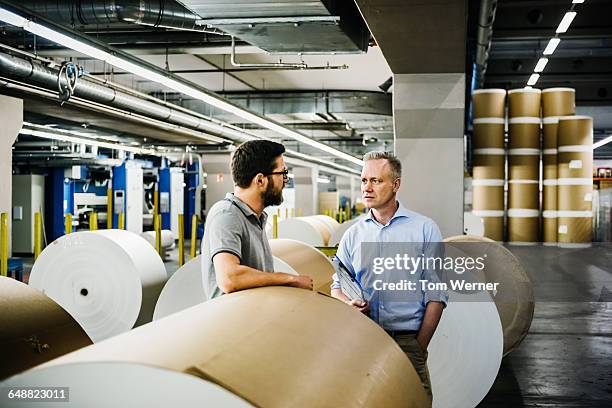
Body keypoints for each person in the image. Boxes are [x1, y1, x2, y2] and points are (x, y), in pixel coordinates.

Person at [331, 151, 447, 401]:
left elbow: (436, 295)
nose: (367, 188)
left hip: (408, 341)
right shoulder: (353, 235)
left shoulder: (424, 229)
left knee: (415, 403)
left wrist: (418, 346)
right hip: (365, 341)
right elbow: (337, 286)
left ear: (396, 185)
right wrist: (347, 303)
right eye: (364, 181)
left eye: (376, 181)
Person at [201, 140, 313, 299]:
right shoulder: (227, 214)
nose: (285, 181)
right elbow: (229, 278)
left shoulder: (255, 218)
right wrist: (290, 279)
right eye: (283, 174)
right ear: (260, 180)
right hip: (232, 322)